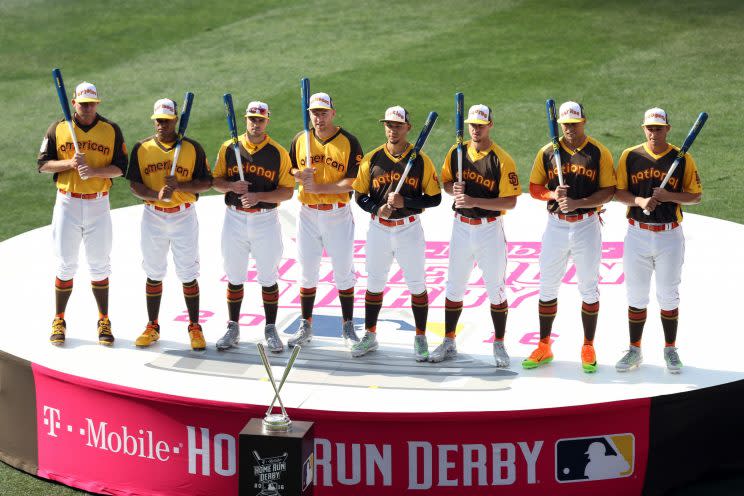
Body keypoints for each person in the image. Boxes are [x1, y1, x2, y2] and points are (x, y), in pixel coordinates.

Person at [523, 101, 616, 373]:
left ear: (584, 121)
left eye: (574, 124)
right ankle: (544, 345)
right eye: (565, 124)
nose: (569, 129)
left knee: (588, 287)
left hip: (587, 224)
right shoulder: (547, 152)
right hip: (555, 226)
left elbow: (608, 190)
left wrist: (580, 202)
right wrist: (554, 195)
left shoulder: (599, 152)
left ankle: (588, 346)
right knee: (547, 286)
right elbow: (534, 187)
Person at [37, 81, 127, 346]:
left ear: (97, 104)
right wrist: (70, 163)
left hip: (99, 204)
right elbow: (42, 165)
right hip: (67, 203)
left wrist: (96, 172)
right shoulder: (58, 128)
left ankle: (103, 320)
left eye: (92, 104)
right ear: (73, 103)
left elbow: (122, 168)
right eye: (82, 103)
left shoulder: (111, 130)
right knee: (66, 264)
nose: (87, 108)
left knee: (100, 265)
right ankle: (59, 319)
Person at [431, 104, 521, 366]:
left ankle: (500, 343)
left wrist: (473, 200)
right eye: (472, 125)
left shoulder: (502, 159)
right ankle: (448, 340)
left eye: (480, 125)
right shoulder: (457, 152)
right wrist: (454, 189)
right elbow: (445, 182)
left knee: (496, 288)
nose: (475, 129)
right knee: (454, 285)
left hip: (489, 229)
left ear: (490, 125)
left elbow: (510, 202)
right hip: (460, 226)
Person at [614, 108, 702, 373]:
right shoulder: (630, 156)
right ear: (644, 129)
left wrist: (668, 196)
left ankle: (670, 350)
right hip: (637, 234)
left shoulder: (682, 158)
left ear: (668, 129)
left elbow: (695, 196)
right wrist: (640, 200)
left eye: (659, 128)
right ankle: (634, 350)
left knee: (668, 295)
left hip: (669, 236)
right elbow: (619, 192)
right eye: (650, 128)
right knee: (636, 295)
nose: (654, 133)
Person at [351, 106, 441, 361]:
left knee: (416, 284)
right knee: (374, 283)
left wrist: (406, 203)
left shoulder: (421, 160)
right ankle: (370, 334)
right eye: (389, 125)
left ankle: (421, 336)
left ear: (408, 128)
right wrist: (378, 209)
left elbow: (434, 199)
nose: (392, 130)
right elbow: (360, 196)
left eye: (398, 126)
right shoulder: (372, 158)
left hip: (408, 229)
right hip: (378, 229)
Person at [125, 98, 212, 351]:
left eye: (166, 120)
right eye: (158, 121)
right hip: (153, 216)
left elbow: (206, 183)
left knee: (187, 271)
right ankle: (152, 326)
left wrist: (179, 186)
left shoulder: (192, 148)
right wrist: (156, 195)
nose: (162, 125)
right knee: (153, 271)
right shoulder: (142, 148)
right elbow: (134, 185)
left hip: (184, 215)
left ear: (175, 120)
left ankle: (195, 326)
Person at [212, 101, 294, 352]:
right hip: (234, 218)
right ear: (245, 120)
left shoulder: (278, 152)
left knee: (268, 277)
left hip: (265, 220)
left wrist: (259, 196)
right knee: (234, 275)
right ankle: (232, 326)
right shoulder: (229, 147)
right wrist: (231, 187)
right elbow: (215, 180)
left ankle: (270, 328)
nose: (255, 124)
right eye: (251, 119)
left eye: (260, 119)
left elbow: (288, 191)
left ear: (267, 121)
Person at [286, 92, 363, 347]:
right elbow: (289, 168)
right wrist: (300, 175)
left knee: (343, 273)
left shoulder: (348, 141)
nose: (318, 118)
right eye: (314, 113)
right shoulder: (301, 139)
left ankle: (348, 327)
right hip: (307, 214)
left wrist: (320, 187)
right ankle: (306, 325)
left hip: (337, 213)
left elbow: (353, 181)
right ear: (309, 114)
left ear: (333, 113)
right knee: (307, 273)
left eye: (323, 112)